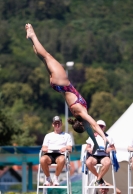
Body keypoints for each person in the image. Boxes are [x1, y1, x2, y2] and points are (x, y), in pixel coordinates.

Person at [25, 23, 108, 152]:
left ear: (82, 123)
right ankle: (31, 40)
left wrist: (104, 138)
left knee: (47, 56)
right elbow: (91, 131)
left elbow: (94, 125)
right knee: (44, 59)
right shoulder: (80, 116)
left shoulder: (82, 113)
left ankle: (32, 36)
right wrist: (96, 144)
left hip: (62, 83)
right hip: (57, 86)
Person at [40, 116, 72, 186]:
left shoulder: (67, 136)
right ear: (53, 125)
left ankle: (55, 178)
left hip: (60, 154)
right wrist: (47, 149)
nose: (57, 125)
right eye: (55, 123)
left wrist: (65, 147)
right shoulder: (48, 136)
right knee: (42, 159)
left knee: (62, 159)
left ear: (61, 124)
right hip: (49, 154)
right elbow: (43, 148)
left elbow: (70, 148)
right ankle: (48, 178)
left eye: (59, 123)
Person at [85, 120, 116, 186]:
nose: (100, 127)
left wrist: (109, 149)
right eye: (98, 126)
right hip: (94, 155)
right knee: (88, 162)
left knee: (107, 162)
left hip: (104, 155)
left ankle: (98, 179)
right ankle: (99, 178)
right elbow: (87, 148)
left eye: (101, 126)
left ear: (104, 127)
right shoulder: (92, 136)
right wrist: (90, 149)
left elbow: (114, 149)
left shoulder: (109, 137)